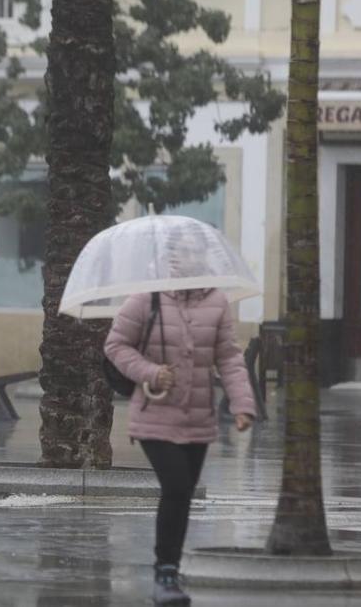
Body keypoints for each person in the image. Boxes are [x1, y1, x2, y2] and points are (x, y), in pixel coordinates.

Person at [103, 229, 256, 607]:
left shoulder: (217, 302)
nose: (182, 258)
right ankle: (165, 572)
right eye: (177, 252)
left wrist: (242, 404)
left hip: (199, 418)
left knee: (184, 493)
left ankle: (170, 567)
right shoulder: (147, 297)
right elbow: (115, 345)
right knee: (175, 487)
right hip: (154, 414)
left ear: (202, 258)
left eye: (190, 252)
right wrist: (150, 372)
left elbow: (229, 357)